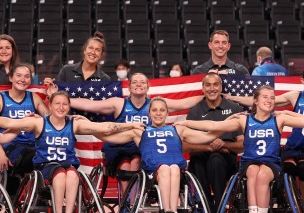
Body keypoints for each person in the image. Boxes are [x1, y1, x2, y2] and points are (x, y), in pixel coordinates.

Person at [175, 85, 304, 213]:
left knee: (262, 174)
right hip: (249, 163)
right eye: (265, 97)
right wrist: (186, 123)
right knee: (253, 171)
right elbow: (213, 126)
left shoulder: (280, 118)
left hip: (271, 164)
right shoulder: (244, 120)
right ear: (255, 101)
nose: (269, 100)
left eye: (272, 98)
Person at [0, 92, 143, 213]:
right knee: (61, 173)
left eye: (65, 104)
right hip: (46, 168)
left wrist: (130, 125)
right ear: (50, 106)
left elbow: (105, 127)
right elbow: (10, 122)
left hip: (67, 166)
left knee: (72, 174)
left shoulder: (74, 124)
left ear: (69, 107)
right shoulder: (39, 122)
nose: (61, 107)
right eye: (57, 104)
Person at [47, 72, 201, 193]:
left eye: (142, 82)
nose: (138, 85)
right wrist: (60, 100)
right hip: (118, 145)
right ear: (129, 87)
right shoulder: (119, 103)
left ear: (148, 87)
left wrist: (210, 96)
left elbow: (185, 103)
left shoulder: (156, 104)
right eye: (135, 82)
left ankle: (135, 201)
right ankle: (128, 203)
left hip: (143, 148)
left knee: (135, 161)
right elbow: (91, 105)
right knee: (127, 164)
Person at [91, 98, 227, 213]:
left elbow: (207, 135)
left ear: (168, 113)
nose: (158, 113)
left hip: (176, 175)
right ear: (149, 113)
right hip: (152, 176)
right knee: (164, 168)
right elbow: (109, 135)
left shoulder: (178, 129)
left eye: (162, 110)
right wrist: (95, 128)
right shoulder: (140, 131)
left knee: (173, 167)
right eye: (154, 110)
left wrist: (192, 123)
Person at [227, 64, 304, 198]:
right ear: (302, 80)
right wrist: (232, 98)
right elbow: (260, 101)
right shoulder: (295, 96)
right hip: (294, 146)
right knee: (288, 169)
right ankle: (292, 204)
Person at [184, 73, 245, 213]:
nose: (212, 88)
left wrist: (224, 145)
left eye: (215, 84)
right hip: (202, 156)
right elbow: (184, 145)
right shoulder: (195, 111)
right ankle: (206, 209)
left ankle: (219, 209)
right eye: (208, 85)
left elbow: (242, 145)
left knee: (216, 160)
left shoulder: (235, 109)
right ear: (203, 88)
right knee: (197, 160)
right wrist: (209, 147)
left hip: (226, 159)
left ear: (221, 87)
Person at [0, 63, 50, 192]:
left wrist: (41, 117)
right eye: (18, 75)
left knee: (51, 154)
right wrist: (1, 154)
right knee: (37, 155)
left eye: (26, 76)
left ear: (30, 80)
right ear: (11, 78)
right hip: (10, 146)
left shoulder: (34, 98)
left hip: (31, 145)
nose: (22, 79)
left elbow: (51, 122)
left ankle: (45, 192)